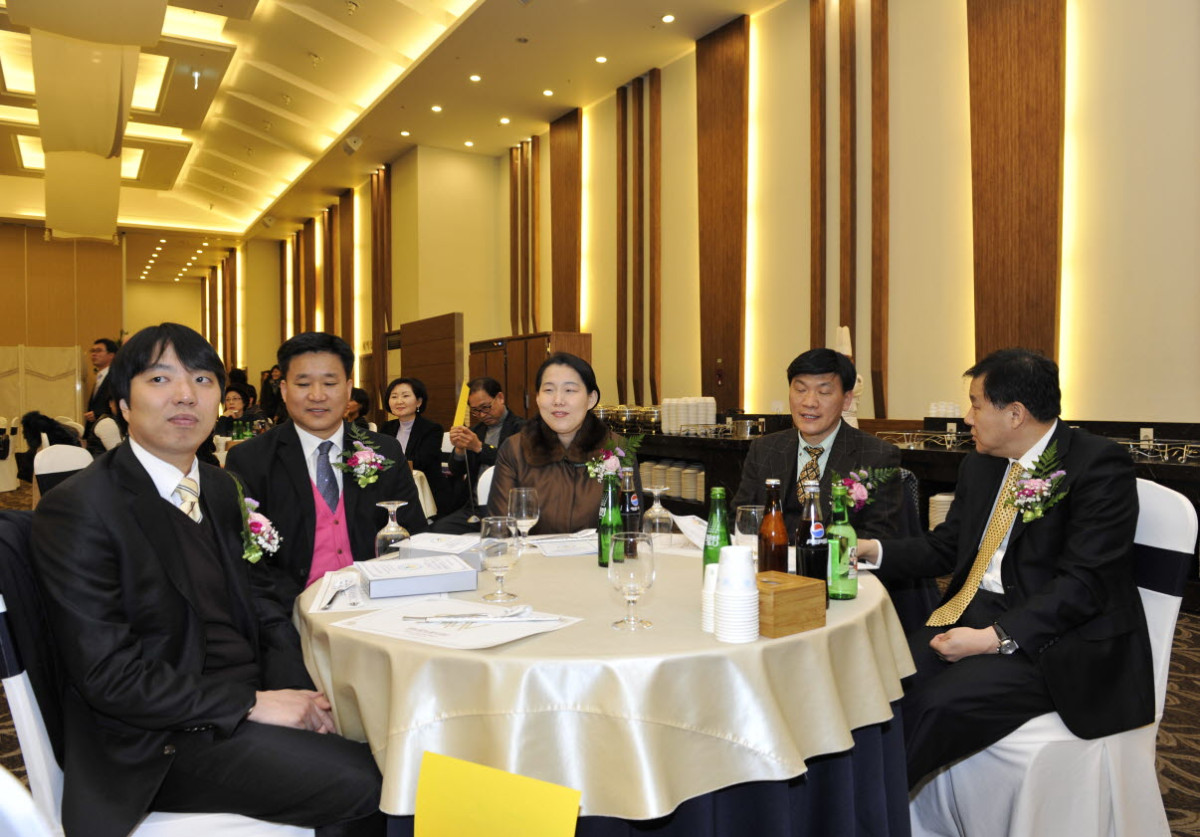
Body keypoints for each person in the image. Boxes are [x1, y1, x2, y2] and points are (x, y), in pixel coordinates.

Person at [31, 323, 384, 837]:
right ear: (123, 404)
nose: (185, 395)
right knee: (370, 783)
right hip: (158, 739)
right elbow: (110, 675)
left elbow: (262, 607)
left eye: (202, 379)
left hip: (246, 701)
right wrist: (253, 704)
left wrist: (302, 694)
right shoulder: (82, 507)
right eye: (159, 379)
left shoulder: (219, 487)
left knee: (397, 742)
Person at [856, 348, 1154, 789]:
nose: (967, 418)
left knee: (934, 705)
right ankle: (857, 802)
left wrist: (992, 638)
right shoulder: (980, 464)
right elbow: (946, 547)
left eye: (975, 405)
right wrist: (870, 550)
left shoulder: (1098, 465)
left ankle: (870, 811)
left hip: (1054, 638)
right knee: (881, 678)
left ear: (1015, 414)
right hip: (971, 612)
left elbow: (1084, 583)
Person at [226, 332, 426, 621]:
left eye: (330, 383)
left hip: (382, 610)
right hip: (294, 618)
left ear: (348, 389)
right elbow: (248, 566)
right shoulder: (250, 460)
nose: (317, 395)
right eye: (303, 384)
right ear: (284, 390)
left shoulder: (384, 450)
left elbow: (415, 537)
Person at [732, 348, 901, 539]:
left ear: (846, 400)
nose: (809, 402)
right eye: (800, 390)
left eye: (824, 392)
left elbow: (880, 537)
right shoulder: (764, 449)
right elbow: (739, 520)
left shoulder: (877, 455)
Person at [489, 352, 638, 534]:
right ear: (537, 398)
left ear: (591, 399)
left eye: (569, 390)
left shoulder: (618, 449)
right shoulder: (514, 449)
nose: (558, 401)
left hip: (601, 552)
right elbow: (500, 530)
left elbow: (631, 527)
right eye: (548, 390)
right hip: (531, 552)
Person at [432, 377, 525, 533]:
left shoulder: (522, 429)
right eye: (475, 410)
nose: (481, 414)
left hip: (509, 507)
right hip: (475, 508)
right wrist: (460, 449)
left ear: (500, 398)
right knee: (437, 530)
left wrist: (479, 447)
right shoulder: (476, 431)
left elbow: (516, 463)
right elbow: (456, 471)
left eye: (485, 407)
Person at [381, 377, 446, 513]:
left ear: (419, 402)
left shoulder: (432, 429)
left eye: (405, 396)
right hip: (391, 488)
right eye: (394, 397)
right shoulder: (386, 428)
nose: (399, 401)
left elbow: (421, 461)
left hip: (423, 492)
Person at [83, 337, 117, 431]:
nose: (94, 354)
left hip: (109, 429)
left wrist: (99, 414)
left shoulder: (116, 376)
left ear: (111, 355)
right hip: (95, 430)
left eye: (98, 351)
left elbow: (119, 403)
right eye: (92, 351)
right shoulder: (100, 376)